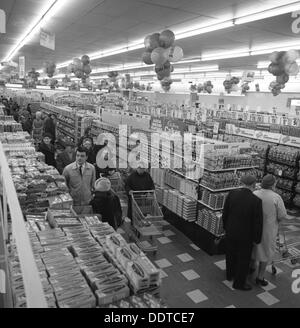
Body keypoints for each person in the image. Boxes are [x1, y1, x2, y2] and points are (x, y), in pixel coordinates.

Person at [222, 174, 263, 291]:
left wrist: (225, 227)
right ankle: (239, 283)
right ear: (254, 185)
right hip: (246, 236)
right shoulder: (256, 201)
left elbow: (225, 213)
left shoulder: (232, 194)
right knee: (243, 259)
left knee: (230, 254)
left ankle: (229, 275)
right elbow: (257, 223)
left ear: (242, 183)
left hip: (231, 231)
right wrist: (257, 239)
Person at [251, 174, 287, 287]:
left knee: (253, 248)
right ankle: (260, 277)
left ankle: (251, 268)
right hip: (268, 230)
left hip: (253, 228)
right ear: (273, 185)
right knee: (265, 252)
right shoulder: (276, 197)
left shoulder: (254, 193)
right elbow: (282, 215)